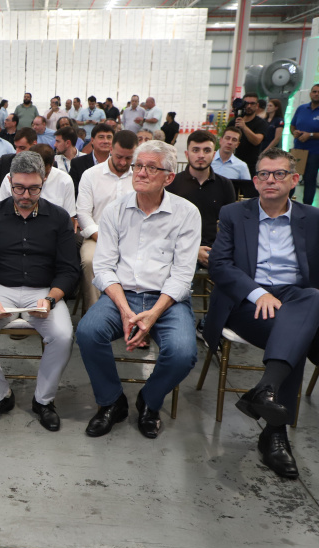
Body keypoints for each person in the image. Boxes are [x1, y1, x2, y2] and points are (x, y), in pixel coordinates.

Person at [203, 148, 319, 478]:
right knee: (296, 335)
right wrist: (258, 293)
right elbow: (219, 265)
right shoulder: (234, 214)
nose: (270, 180)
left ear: (294, 179)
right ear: (255, 180)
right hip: (245, 303)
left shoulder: (313, 218)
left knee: (313, 298)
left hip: (293, 299)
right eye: (263, 174)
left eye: (278, 174)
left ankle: (266, 393)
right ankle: (275, 434)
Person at [75, 139, 200, 439]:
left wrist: (153, 314)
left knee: (183, 352)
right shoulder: (116, 211)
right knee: (88, 332)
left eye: (150, 168)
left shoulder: (186, 214)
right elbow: (103, 268)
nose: (141, 173)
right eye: (137, 166)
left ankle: (150, 400)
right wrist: (127, 311)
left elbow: (183, 276)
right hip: (123, 294)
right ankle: (111, 401)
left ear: (168, 177)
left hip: (166, 300)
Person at [0, 150, 79, 430]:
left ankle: (43, 400)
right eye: (18, 188)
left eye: (33, 188)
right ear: (9, 182)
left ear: (43, 181)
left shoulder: (60, 217)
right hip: (0, 289)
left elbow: (69, 269)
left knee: (63, 336)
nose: (25, 195)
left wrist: (51, 299)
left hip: (44, 290)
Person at [74, 130, 137, 313]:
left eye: (128, 158)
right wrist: (103, 239)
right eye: (119, 157)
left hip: (132, 238)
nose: (123, 163)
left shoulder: (140, 176)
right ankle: (95, 314)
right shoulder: (91, 175)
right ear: (111, 149)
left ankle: (132, 313)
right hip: (96, 236)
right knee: (90, 260)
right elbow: (84, 215)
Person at [166, 130, 236, 268]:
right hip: (178, 250)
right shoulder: (172, 183)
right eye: (196, 150)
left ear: (214, 154)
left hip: (215, 250)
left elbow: (230, 226)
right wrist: (193, 250)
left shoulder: (225, 185)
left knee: (234, 274)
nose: (201, 155)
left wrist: (218, 250)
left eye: (206, 150)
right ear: (187, 154)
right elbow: (165, 226)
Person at [0, 144, 75, 220]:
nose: (42, 178)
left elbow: (69, 217)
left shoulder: (65, 180)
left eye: (45, 173)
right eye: (19, 187)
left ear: (52, 164)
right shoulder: (13, 177)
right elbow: (0, 211)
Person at [290, 84, 319, 205]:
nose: (317, 94)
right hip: (298, 150)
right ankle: (286, 203)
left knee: (309, 180)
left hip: (315, 152)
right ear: (310, 93)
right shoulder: (301, 108)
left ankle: (307, 207)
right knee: (291, 178)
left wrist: (311, 135)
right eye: (314, 91)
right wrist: (294, 132)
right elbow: (292, 126)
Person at [230, 92, 268, 177]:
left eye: (252, 103)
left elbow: (257, 141)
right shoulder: (234, 122)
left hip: (251, 165)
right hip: (233, 163)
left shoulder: (261, 123)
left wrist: (244, 127)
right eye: (246, 103)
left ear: (257, 106)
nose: (249, 106)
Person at [69, 123, 114, 192]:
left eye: (109, 137)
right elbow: (74, 192)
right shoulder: (78, 163)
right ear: (92, 141)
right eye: (101, 137)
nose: (105, 141)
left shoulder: (117, 164)